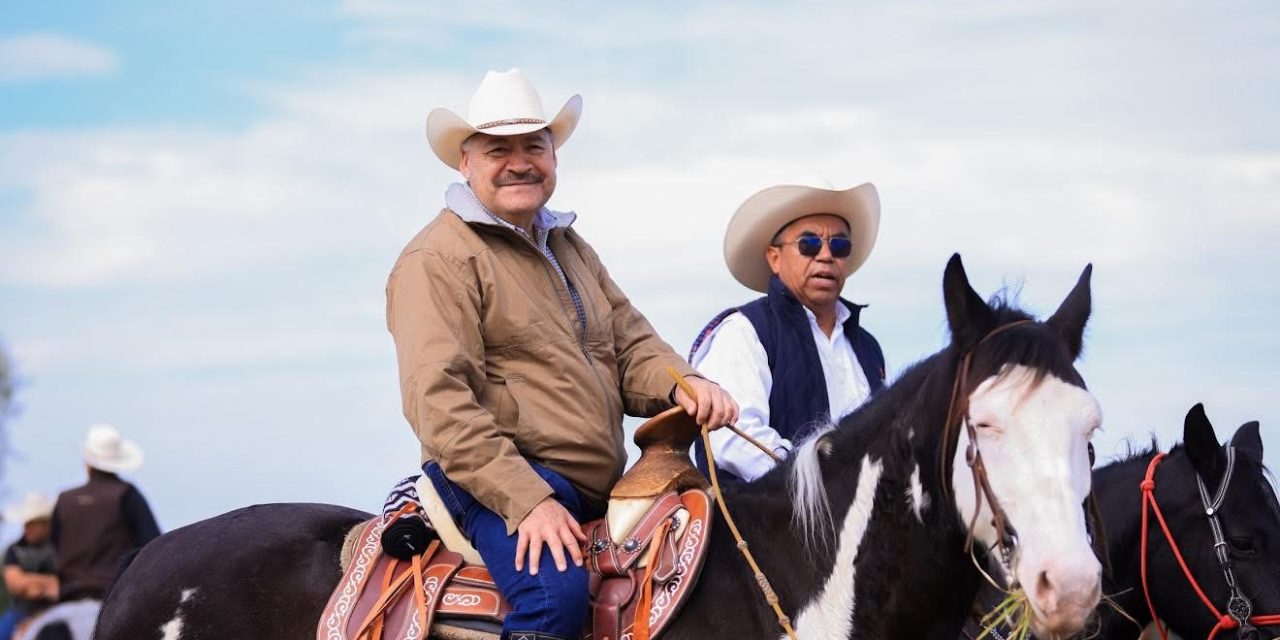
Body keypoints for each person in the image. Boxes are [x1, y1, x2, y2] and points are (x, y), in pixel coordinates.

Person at [387, 68, 737, 640]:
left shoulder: (569, 246)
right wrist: (527, 501)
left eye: (534, 146)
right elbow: (439, 402)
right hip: (494, 480)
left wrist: (684, 383)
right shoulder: (438, 259)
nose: (520, 162)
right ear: (465, 162)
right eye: (498, 149)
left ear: (554, 156)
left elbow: (629, 341)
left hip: (596, 483)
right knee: (554, 599)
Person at [689, 178, 887, 483]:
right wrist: (822, 485)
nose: (825, 255)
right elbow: (731, 441)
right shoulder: (744, 331)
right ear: (774, 258)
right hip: (763, 523)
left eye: (839, 245)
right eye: (809, 244)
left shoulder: (868, 347)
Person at [52, 424, 161, 603]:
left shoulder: (64, 500)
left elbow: (54, 548)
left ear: (87, 463)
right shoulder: (127, 495)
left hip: (68, 595)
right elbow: (152, 547)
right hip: (115, 597)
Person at [0, 493, 57, 640]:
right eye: (27, 523)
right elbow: (15, 584)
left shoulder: (59, 548)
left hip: (55, 610)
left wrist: (30, 582)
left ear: (46, 523)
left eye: (34, 523)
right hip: (20, 612)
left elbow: (63, 583)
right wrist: (48, 584)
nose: (28, 528)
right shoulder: (14, 550)